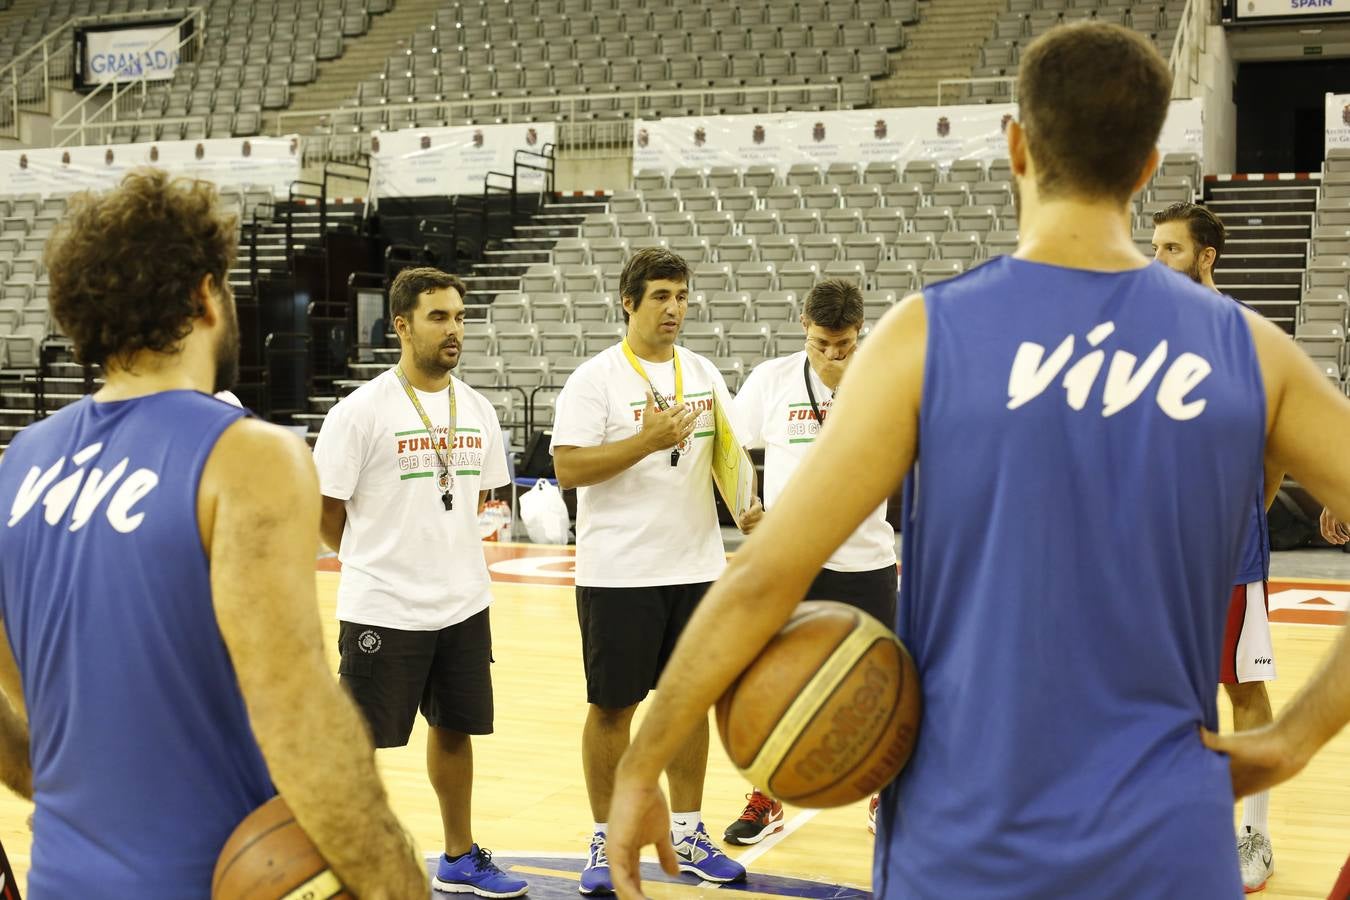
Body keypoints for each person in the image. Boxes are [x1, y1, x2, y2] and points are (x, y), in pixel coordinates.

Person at [603, 22, 1350, 898]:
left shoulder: (923, 338)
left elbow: (765, 574)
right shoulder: (1251, 352)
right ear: (1148, 168)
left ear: (1016, 147)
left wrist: (642, 763)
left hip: (964, 840)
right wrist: (1293, 739)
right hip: (1167, 841)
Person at [0, 169, 427, 897]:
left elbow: (25, 703)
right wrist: (397, 884)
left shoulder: (19, 463)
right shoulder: (248, 457)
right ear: (205, 295)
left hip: (61, 880)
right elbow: (300, 720)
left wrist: (73, 798)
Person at [550, 247, 759, 895]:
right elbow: (567, 469)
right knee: (613, 709)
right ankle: (605, 836)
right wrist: (646, 441)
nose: (674, 308)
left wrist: (747, 508)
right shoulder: (595, 379)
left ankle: (689, 833)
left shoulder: (703, 372)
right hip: (618, 574)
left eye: (682, 296)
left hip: (695, 567)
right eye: (662, 296)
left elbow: (726, 455)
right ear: (629, 302)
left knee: (688, 703)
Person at [312, 266, 524, 898]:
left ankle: (458, 857)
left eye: (459, 317)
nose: (453, 329)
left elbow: (476, 498)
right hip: (383, 606)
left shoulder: (477, 408)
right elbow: (325, 508)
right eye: (438, 317)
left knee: (455, 730)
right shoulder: (360, 411)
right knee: (358, 742)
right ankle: (341, 858)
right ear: (401, 326)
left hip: (463, 603)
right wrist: (373, 560)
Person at [722, 278, 896, 845]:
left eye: (843, 344)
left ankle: (884, 793)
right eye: (821, 343)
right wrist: (745, 505)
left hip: (864, 559)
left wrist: (851, 389)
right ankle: (766, 796)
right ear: (803, 325)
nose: (831, 355)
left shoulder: (883, 379)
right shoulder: (771, 379)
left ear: (860, 332)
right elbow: (728, 447)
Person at [1152, 201, 1278, 892]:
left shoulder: (1246, 336)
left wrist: (1243, 514)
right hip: (1155, 554)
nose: (1158, 261)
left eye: (1172, 249)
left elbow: (1277, 444)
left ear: (1207, 257)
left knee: (1242, 686)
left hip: (1227, 554)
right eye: (1154, 248)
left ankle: (1255, 834)